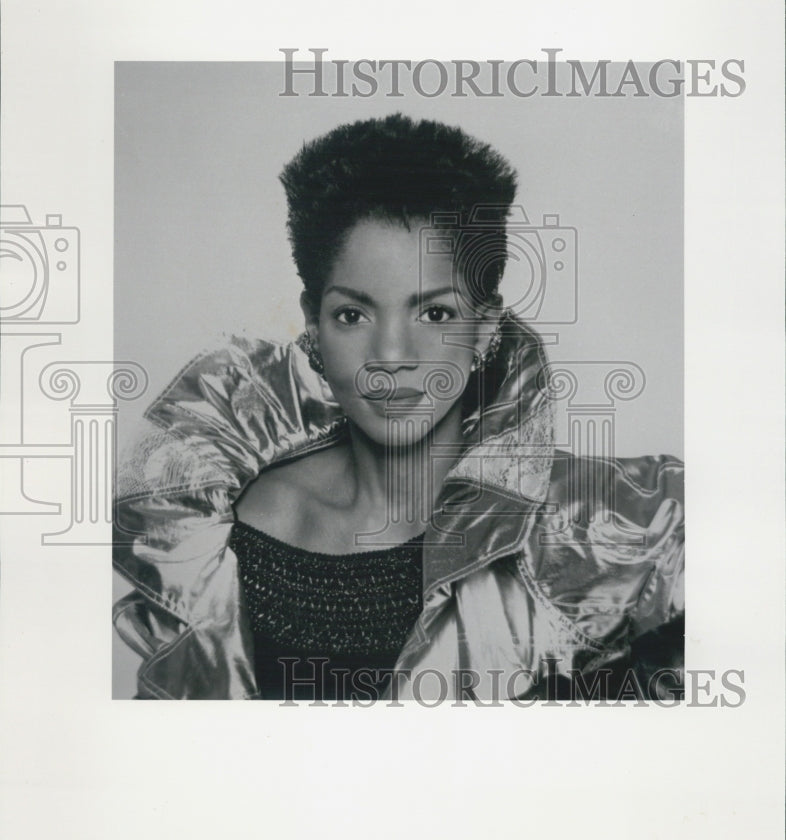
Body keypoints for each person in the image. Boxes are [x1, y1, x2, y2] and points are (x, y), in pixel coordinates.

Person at [113, 114, 684, 702]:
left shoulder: (597, 529)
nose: (391, 356)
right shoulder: (229, 539)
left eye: (434, 314)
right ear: (312, 324)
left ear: (486, 328)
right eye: (352, 315)